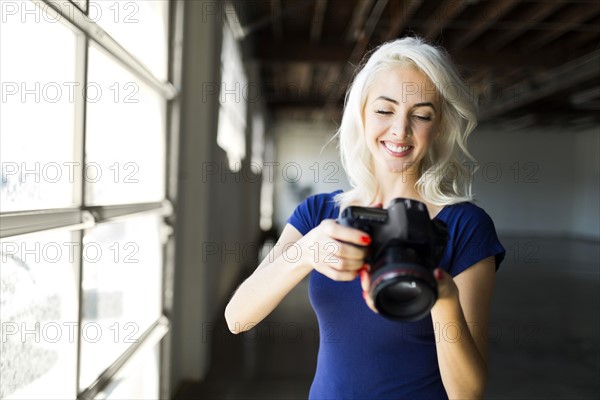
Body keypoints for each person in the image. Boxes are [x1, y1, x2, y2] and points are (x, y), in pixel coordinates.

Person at [225, 36, 505, 399]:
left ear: (439, 126)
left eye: (421, 115)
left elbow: (467, 393)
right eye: (385, 110)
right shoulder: (320, 214)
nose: (400, 130)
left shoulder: (465, 226)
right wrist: (306, 251)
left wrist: (444, 297)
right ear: (361, 113)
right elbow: (237, 318)